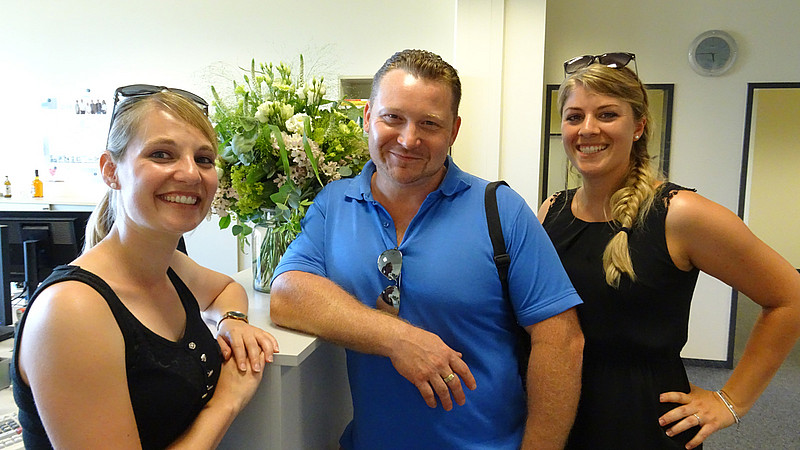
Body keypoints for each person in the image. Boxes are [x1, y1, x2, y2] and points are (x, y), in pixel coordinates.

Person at [270, 49, 584, 449]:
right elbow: (287, 294)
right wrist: (398, 339)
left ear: (453, 131)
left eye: (429, 124)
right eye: (392, 118)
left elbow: (561, 340)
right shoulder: (334, 203)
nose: (408, 139)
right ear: (367, 117)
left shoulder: (500, 209)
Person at [538, 53, 800, 449]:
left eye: (607, 114)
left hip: (641, 423)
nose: (588, 128)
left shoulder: (680, 213)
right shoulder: (551, 209)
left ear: (639, 126)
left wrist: (732, 401)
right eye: (575, 116)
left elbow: (788, 297)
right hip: (557, 413)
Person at [12, 86, 280, 449]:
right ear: (111, 171)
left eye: (204, 159)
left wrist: (233, 320)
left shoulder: (171, 268)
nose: (191, 173)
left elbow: (225, 289)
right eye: (161, 154)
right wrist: (226, 402)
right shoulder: (72, 311)